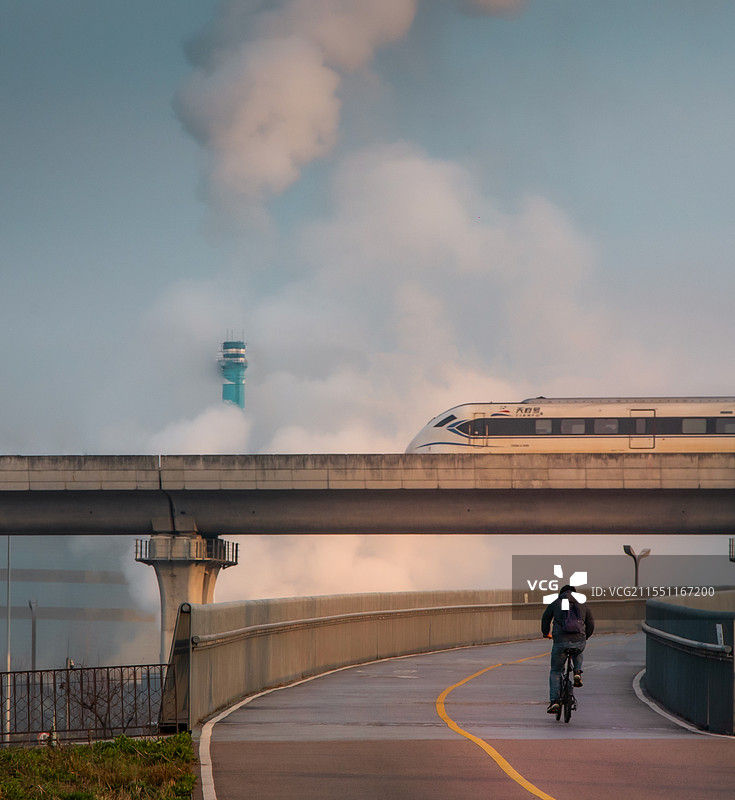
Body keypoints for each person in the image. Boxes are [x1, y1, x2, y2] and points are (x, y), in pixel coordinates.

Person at [541, 583, 594, 714]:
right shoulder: (582, 603)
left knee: (555, 671)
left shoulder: (556, 602)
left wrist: (545, 632)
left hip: (560, 641)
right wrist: (585, 637)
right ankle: (577, 672)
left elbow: (545, 619)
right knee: (578, 650)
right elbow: (591, 623)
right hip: (578, 639)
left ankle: (554, 702)